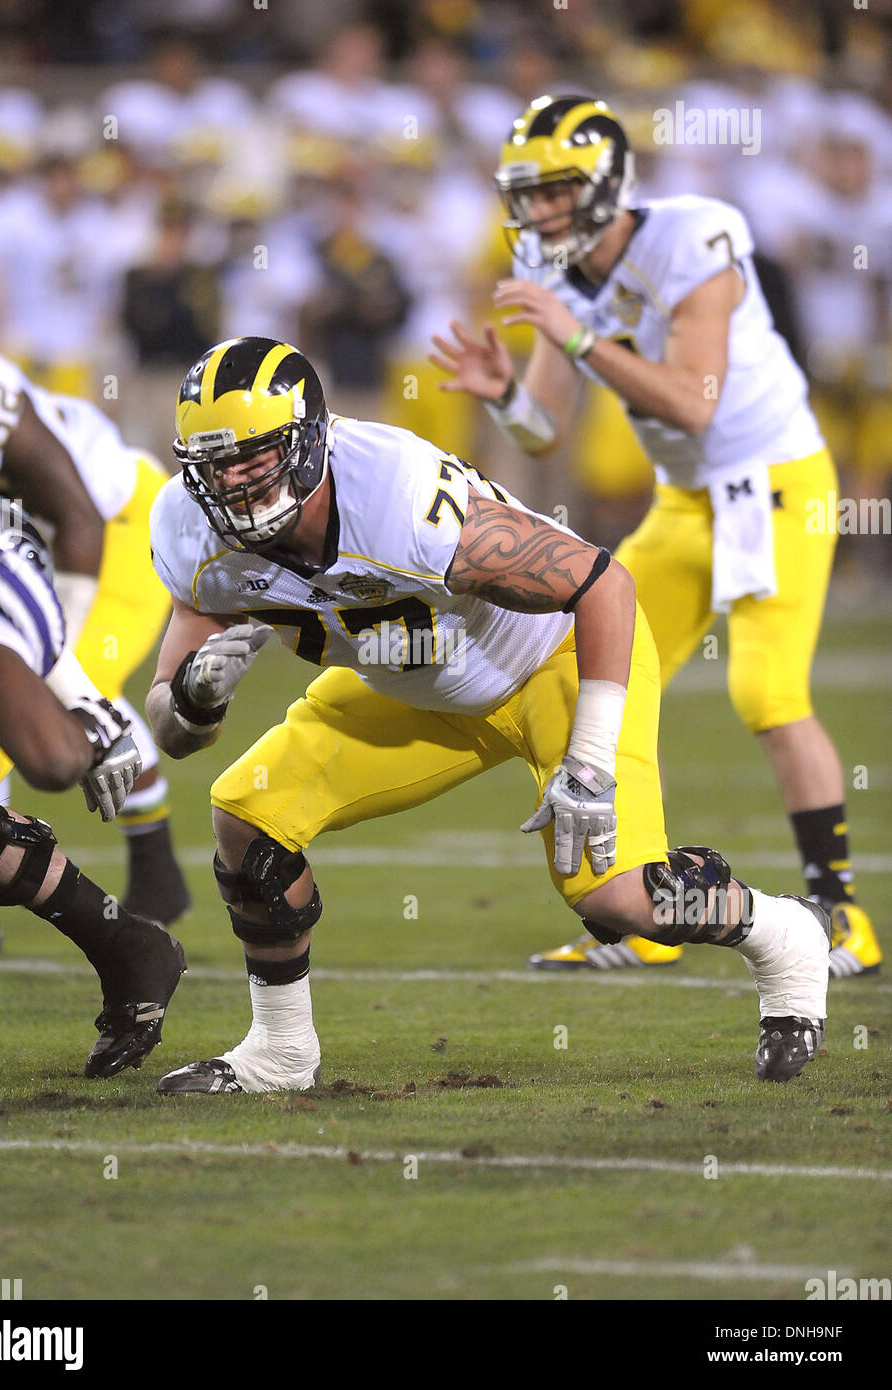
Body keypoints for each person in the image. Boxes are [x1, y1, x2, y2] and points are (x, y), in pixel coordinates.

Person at [144, 335, 829, 1098]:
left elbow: (604, 584)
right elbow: (172, 734)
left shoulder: (398, 500)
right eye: (213, 468)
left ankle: (782, 934)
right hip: (417, 693)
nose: (232, 487)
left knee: (615, 896)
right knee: (247, 813)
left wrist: (591, 759)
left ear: (307, 444)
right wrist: (192, 701)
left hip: (554, 660)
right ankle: (280, 1052)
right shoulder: (191, 534)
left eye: (254, 459)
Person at [429, 95, 881, 979]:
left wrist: (581, 334)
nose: (539, 212)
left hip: (776, 482)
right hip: (684, 501)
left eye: (557, 191)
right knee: (590, 675)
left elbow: (691, 402)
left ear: (605, 185)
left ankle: (842, 915)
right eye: (528, 193)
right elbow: (544, 430)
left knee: (766, 692)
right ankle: (645, 909)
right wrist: (504, 395)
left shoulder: (694, 236)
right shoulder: (552, 266)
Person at [0, 494, 186, 1170]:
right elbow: (52, 760)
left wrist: (89, 710)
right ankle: (130, 947)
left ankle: (130, 948)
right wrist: (89, 730)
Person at [0, 349, 190, 948]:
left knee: (45, 689)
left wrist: (52, 653)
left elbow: (78, 518)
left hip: (112, 528)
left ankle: (144, 891)